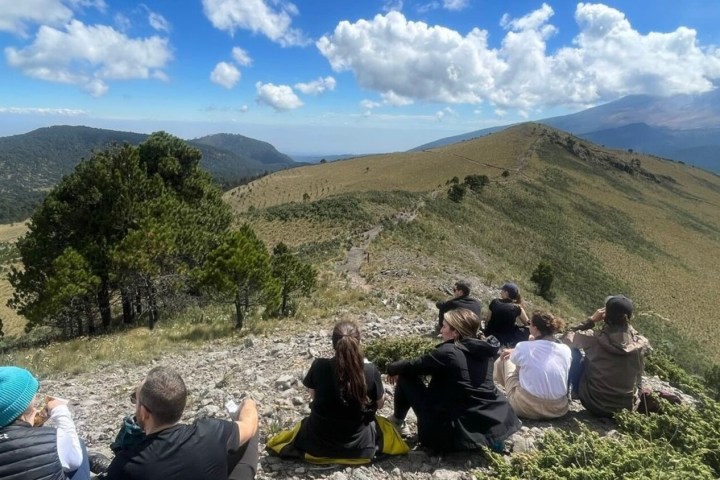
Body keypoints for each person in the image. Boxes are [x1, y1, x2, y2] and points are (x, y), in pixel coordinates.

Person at [386, 308, 521, 453]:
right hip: (487, 425)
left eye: (444, 326)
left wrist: (392, 368)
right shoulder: (485, 352)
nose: (441, 331)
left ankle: (398, 421)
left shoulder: (448, 352)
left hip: (448, 435)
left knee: (406, 375)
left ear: (456, 332)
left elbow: (413, 365)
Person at [104, 366, 259, 480]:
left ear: (144, 413)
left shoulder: (126, 465)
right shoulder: (211, 432)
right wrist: (248, 402)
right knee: (248, 433)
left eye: (135, 400)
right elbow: (249, 424)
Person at [275, 321, 386, 461]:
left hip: (316, 446)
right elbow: (380, 404)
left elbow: (313, 396)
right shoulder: (370, 370)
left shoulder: (319, 366)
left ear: (334, 343)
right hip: (361, 449)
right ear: (358, 342)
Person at [562, 295, 652, 417]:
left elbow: (565, 336)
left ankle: (567, 396)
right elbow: (643, 344)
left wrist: (591, 320)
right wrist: (626, 324)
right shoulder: (640, 343)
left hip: (594, 403)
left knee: (573, 353)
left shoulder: (593, 337)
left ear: (605, 316)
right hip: (625, 408)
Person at [0, 366, 91, 480]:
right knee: (77, 445)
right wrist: (60, 410)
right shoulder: (54, 439)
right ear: (25, 402)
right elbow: (75, 462)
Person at [494, 311, 571, 419]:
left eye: (530, 323)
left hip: (526, 407)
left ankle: (510, 392)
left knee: (504, 358)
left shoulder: (523, 346)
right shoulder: (566, 349)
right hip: (558, 408)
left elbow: (517, 362)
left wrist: (529, 344)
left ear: (535, 328)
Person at [484, 282, 530, 347]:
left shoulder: (495, 302)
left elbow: (487, 319)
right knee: (526, 330)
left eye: (502, 290)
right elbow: (527, 323)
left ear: (506, 293)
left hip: (490, 334)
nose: (500, 292)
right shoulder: (517, 307)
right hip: (505, 339)